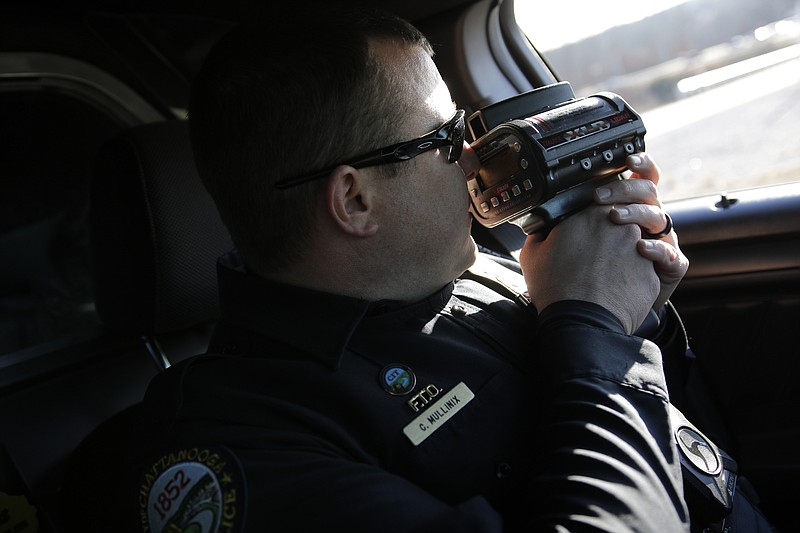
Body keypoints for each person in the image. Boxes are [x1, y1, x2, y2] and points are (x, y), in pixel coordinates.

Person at [63, 6, 771, 533]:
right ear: (355, 198)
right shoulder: (234, 447)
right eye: (442, 137)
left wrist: (638, 308)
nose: (473, 156)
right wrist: (599, 333)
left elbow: (668, 444)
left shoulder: (479, 269)